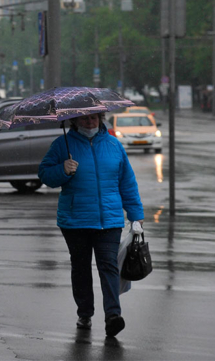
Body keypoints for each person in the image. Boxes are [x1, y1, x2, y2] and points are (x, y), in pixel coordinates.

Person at [38, 113, 144, 338]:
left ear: (101, 118)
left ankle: (113, 316)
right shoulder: (61, 145)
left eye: (94, 118)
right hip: (75, 220)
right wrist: (63, 170)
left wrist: (136, 215)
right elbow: (45, 175)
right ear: (74, 122)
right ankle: (85, 313)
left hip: (109, 220)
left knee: (109, 266)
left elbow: (127, 182)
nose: (90, 122)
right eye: (84, 119)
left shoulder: (114, 145)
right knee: (81, 267)